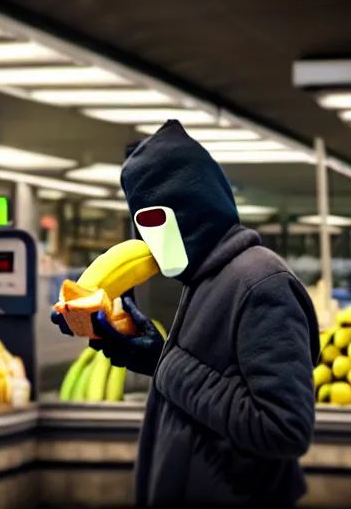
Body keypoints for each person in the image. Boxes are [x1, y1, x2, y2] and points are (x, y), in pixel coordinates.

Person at [53, 120, 320, 507]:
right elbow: (212, 381)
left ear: (192, 208)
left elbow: (284, 428)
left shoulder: (261, 284)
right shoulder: (207, 281)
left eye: (151, 221)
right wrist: (154, 357)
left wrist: (169, 365)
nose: (145, 240)